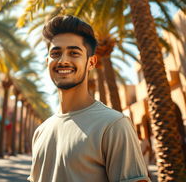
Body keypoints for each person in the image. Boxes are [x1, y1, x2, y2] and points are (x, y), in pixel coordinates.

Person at [28, 15, 150, 182]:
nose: (63, 60)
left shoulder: (114, 125)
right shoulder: (41, 131)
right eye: (56, 53)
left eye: (74, 53)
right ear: (47, 61)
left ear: (91, 62)